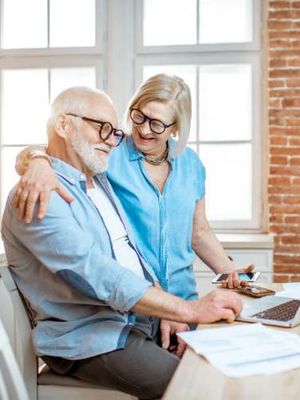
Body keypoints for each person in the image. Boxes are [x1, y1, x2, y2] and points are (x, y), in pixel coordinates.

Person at [2, 86, 243, 399]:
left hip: (137, 317)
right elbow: (98, 274)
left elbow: (134, 257)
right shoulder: (41, 194)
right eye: (102, 127)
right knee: (198, 385)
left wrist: (169, 310)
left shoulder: (98, 180)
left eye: (114, 131)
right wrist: (188, 310)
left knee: (230, 358)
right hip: (92, 335)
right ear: (63, 125)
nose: (112, 139)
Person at [14, 74, 254, 300]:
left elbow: (199, 232)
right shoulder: (110, 150)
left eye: (157, 124)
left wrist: (231, 272)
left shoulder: (191, 164)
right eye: (140, 116)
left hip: (185, 298)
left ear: (176, 127)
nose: (144, 129)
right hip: (135, 302)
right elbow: (54, 148)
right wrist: (38, 162)